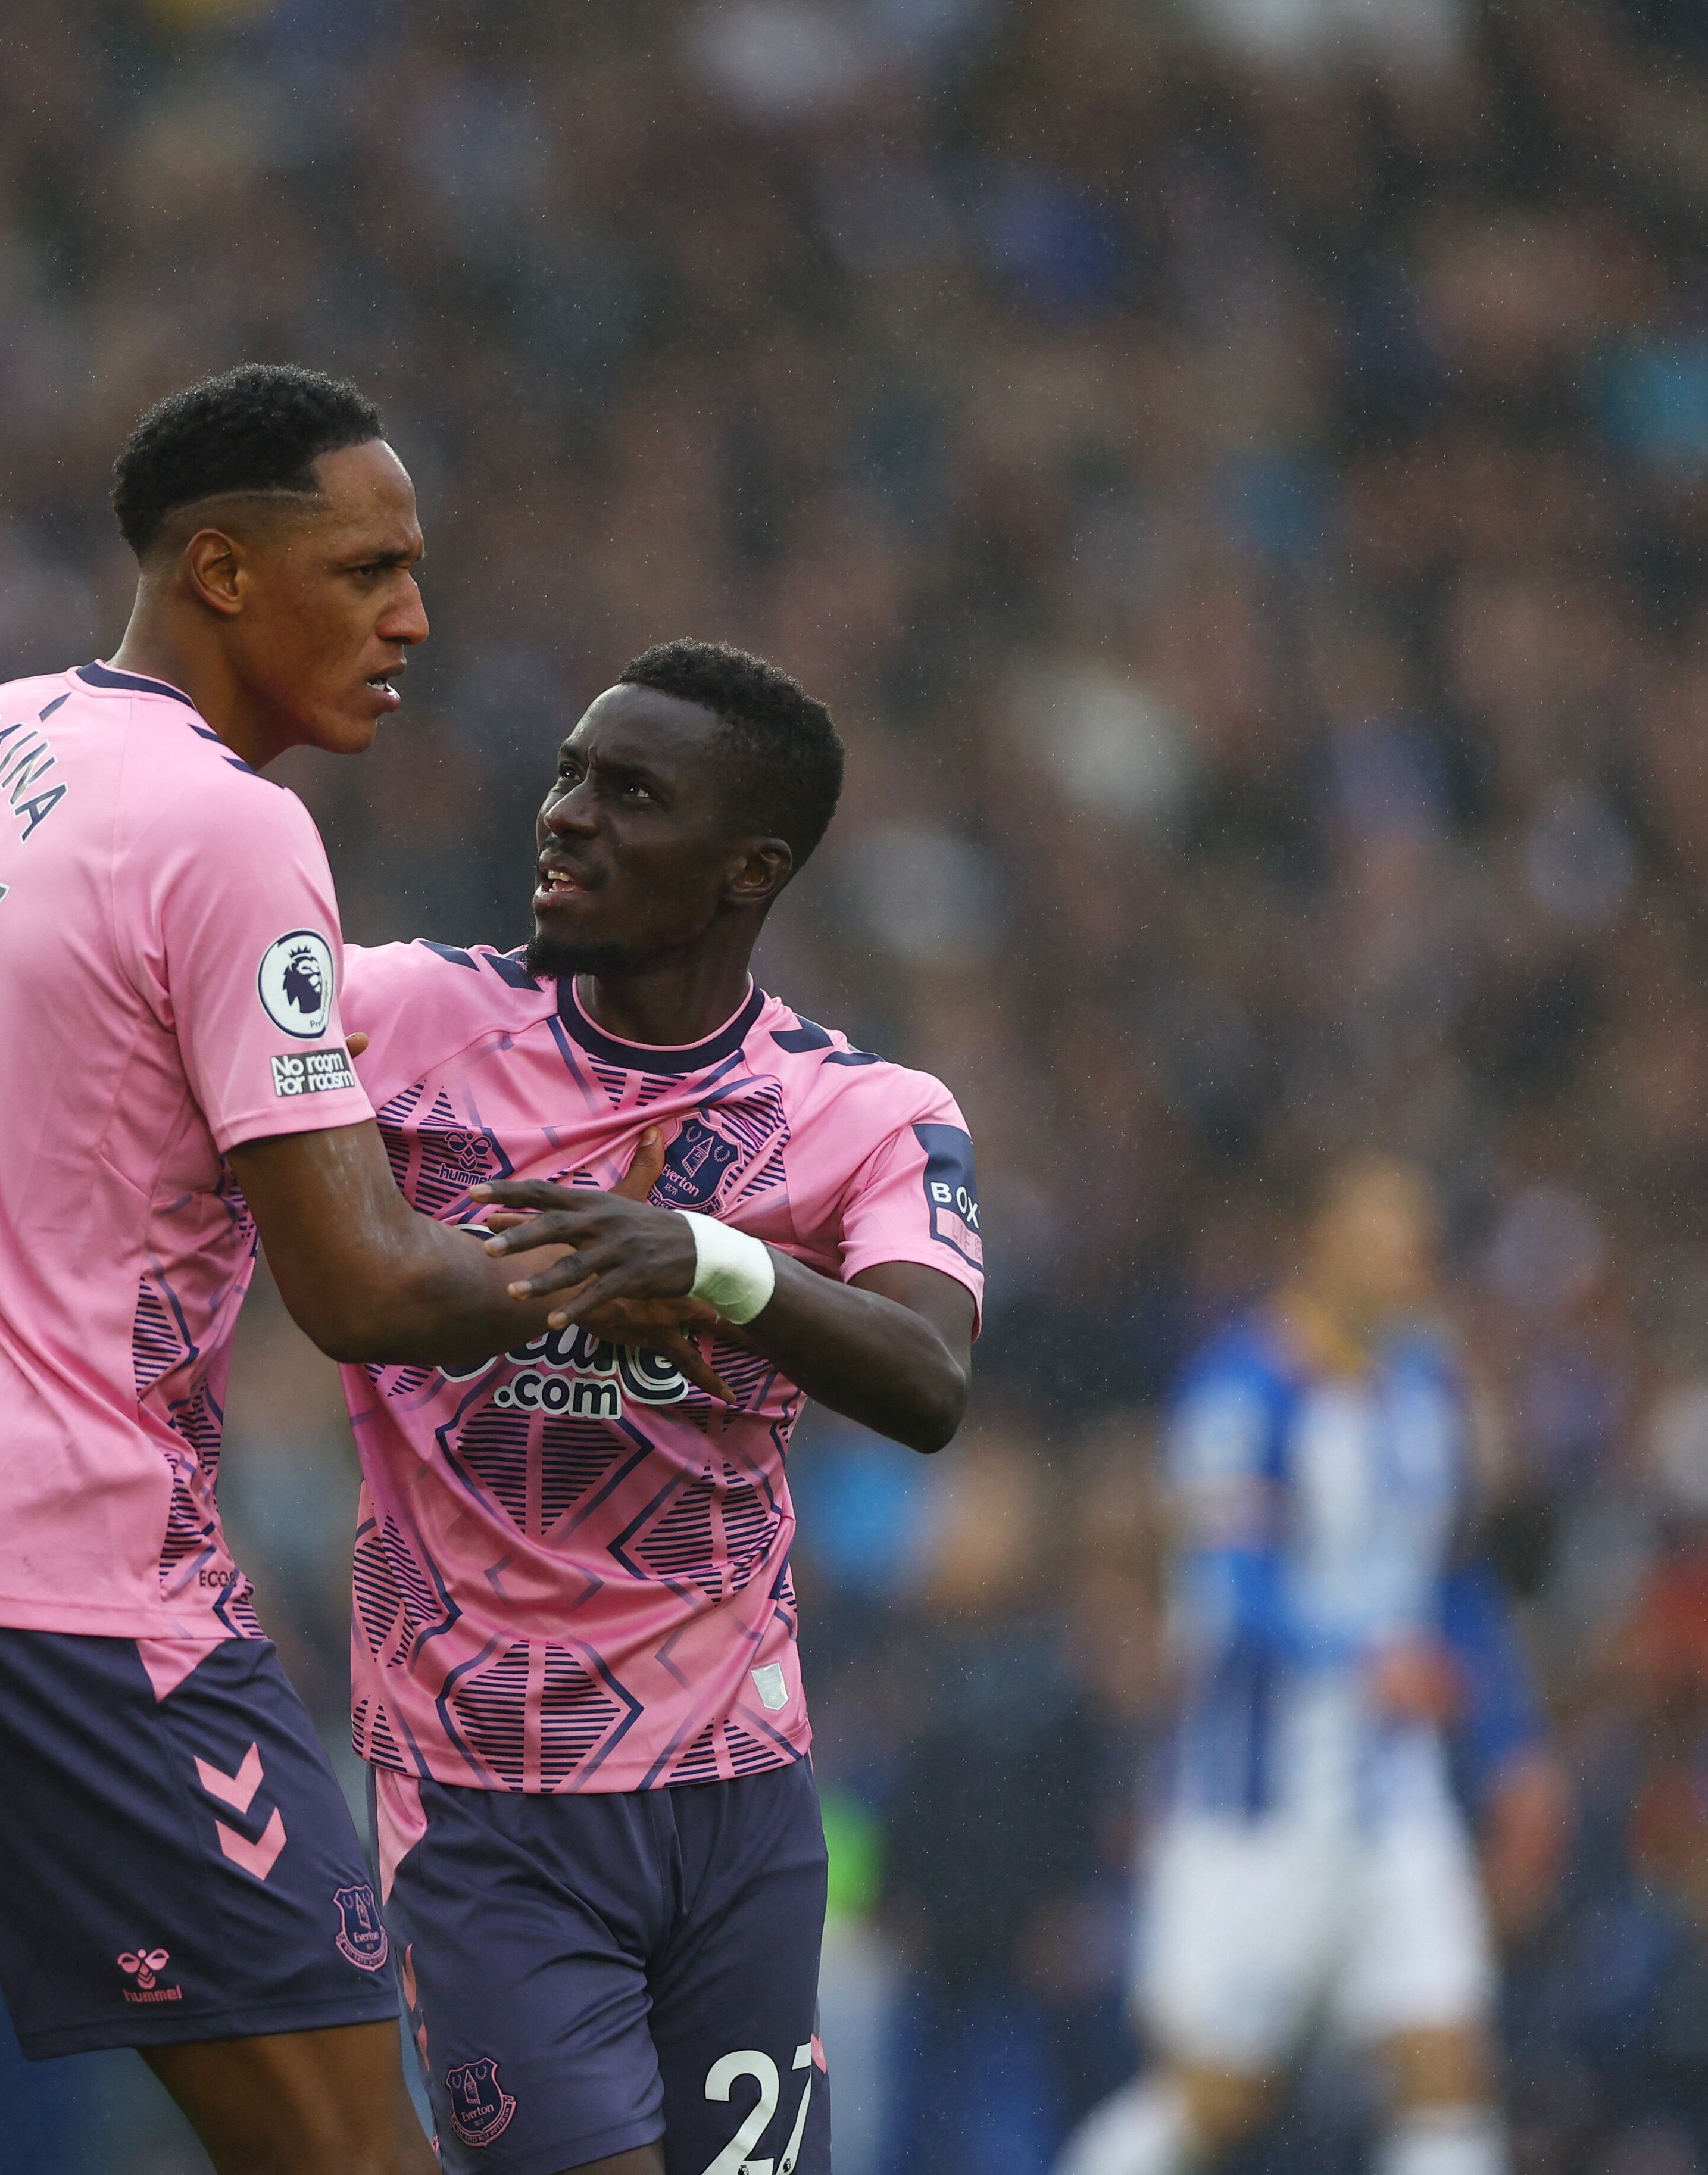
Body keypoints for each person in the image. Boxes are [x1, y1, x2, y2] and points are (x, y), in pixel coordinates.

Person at [0, 365, 716, 2175]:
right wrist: (613, 1258)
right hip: (65, 1576)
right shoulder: (237, 828)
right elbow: (363, 1287)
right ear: (225, 570)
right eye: (371, 568)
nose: (415, 615)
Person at [327, 638, 983, 2175]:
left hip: (736, 1808)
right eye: (568, 775)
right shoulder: (402, 1023)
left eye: (630, 794)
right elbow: (168, 996)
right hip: (486, 1800)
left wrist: (708, 1258)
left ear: (749, 867)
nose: (565, 815)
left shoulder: (862, 1115)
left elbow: (931, 1375)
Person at [1055, 1157, 1516, 2175]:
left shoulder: (1426, 1387)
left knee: (1447, 2061)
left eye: (1413, 1235)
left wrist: (1513, 1741)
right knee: (1214, 2096)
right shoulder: (1242, 1389)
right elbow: (1228, 1589)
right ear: (1316, 1243)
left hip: (1395, 1801)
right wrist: (1362, 1658)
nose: (1404, 1258)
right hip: (1256, 1804)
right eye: (1377, 1234)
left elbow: (1450, 1579)